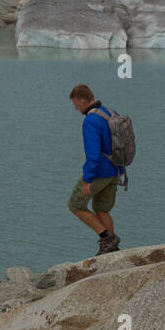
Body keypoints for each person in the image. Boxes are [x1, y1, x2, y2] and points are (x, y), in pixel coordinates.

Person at [67, 85, 121, 255]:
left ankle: (106, 238)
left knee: (75, 205)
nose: (75, 108)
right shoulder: (110, 112)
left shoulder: (91, 121)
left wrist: (88, 180)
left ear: (83, 101)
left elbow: (93, 154)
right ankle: (113, 251)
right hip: (116, 169)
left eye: (76, 103)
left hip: (100, 172)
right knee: (101, 210)